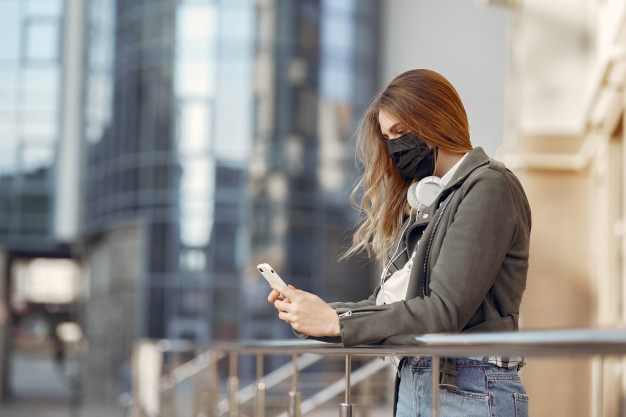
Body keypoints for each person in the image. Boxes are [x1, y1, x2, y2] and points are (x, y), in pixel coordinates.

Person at [268, 69, 531, 417]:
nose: (394, 147)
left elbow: (441, 312)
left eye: (400, 132)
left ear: (435, 119)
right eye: (388, 136)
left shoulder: (488, 187)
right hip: (417, 379)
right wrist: (317, 314)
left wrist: (337, 322)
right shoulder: (432, 200)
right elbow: (394, 308)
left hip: (470, 387)